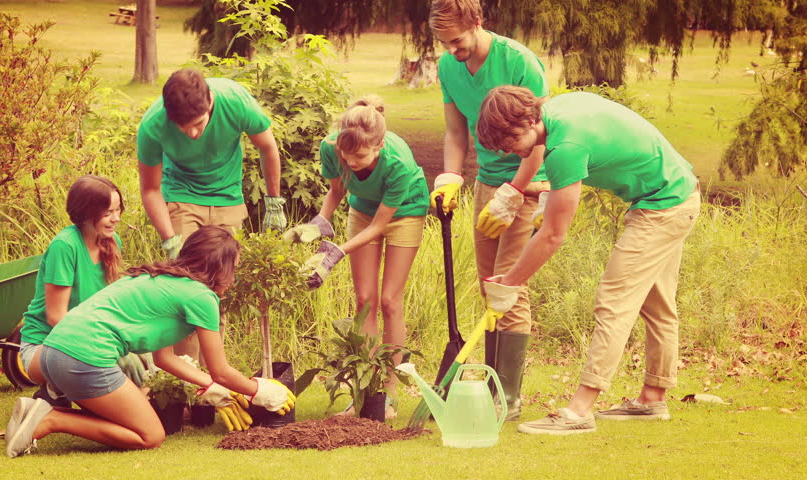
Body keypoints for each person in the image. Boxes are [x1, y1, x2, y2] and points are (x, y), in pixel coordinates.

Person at [475, 86, 701, 435]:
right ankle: (653, 398)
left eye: (512, 139)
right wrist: (529, 192)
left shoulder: (565, 148)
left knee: (614, 300)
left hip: (664, 206)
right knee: (657, 306)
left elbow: (553, 235)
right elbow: (568, 173)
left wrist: (510, 281)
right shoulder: (559, 111)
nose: (508, 150)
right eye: (500, 146)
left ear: (531, 119)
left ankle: (579, 411)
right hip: (676, 192)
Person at [4, 226, 296, 457]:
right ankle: (51, 419)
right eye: (234, 268)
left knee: (125, 417)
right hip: (84, 357)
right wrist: (261, 391)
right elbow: (221, 369)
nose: (233, 277)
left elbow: (164, 359)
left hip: (52, 351)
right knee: (150, 435)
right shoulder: (201, 295)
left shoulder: (158, 277)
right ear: (220, 267)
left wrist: (212, 387)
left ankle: (42, 407)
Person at [427, 0, 550, 421]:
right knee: (488, 285)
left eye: (457, 41)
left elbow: (541, 135)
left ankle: (509, 399)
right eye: (443, 44)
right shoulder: (447, 67)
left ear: (477, 23)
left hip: (528, 179)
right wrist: (449, 176)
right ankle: (496, 383)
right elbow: (454, 130)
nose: (451, 51)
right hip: (486, 183)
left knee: (508, 288)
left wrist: (515, 191)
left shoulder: (518, 61)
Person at [287, 96, 429, 419]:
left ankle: (390, 394)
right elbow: (337, 192)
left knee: (391, 300)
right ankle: (365, 393)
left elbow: (381, 225)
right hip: (363, 210)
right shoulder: (332, 147)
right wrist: (319, 223)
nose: (352, 163)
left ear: (378, 146)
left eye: (361, 157)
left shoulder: (398, 162)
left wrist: (336, 251)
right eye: (346, 157)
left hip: (405, 212)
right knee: (364, 300)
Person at [137, 68, 286, 362]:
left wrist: (274, 202)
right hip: (181, 195)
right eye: (184, 128)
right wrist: (169, 239)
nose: (192, 134)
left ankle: (213, 380)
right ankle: (186, 382)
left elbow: (268, 147)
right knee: (185, 290)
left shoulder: (234, 100)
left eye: (198, 123)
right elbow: (151, 190)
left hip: (227, 197)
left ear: (211, 101)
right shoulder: (153, 126)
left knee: (218, 290)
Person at [18, 175, 124, 406]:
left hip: (85, 338)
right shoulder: (65, 246)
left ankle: (61, 392)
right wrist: (103, 342)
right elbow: (56, 317)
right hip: (44, 345)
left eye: (118, 210)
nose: (116, 218)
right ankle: (55, 391)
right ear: (86, 214)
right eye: (108, 213)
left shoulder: (111, 240)